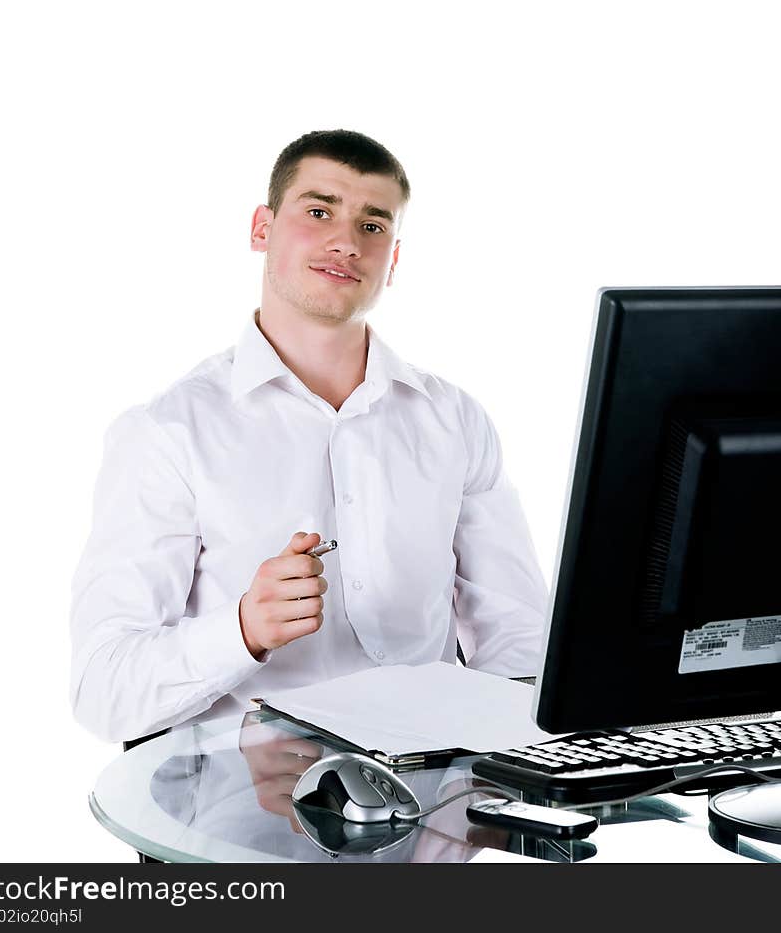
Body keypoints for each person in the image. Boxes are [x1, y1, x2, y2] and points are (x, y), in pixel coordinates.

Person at [70, 129, 547, 743]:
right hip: (235, 806)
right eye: (318, 212)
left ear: (393, 260)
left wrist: (504, 759)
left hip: (428, 801)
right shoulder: (167, 433)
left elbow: (518, 639)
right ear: (261, 230)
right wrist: (242, 630)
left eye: (372, 227)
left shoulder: (454, 420)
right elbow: (102, 692)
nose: (345, 242)